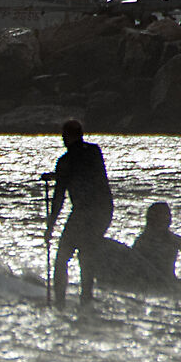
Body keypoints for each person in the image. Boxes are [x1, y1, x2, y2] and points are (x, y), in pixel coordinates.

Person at [44, 120, 114, 308]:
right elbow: (81, 171)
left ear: (67, 136)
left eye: (64, 136)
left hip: (85, 212)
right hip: (104, 210)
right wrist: (56, 175)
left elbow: (59, 198)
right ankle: (86, 300)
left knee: (62, 259)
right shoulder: (94, 152)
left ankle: (59, 302)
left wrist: (50, 227)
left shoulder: (65, 162)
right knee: (86, 254)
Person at [131, 202, 181, 284]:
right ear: (154, 219)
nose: (169, 219)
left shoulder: (173, 239)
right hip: (152, 282)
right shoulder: (142, 242)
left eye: (168, 216)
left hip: (168, 281)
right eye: (164, 216)